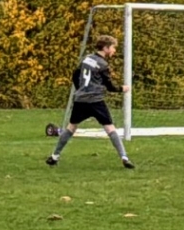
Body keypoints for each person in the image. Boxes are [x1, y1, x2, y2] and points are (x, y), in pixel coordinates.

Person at [47, 36, 134, 168]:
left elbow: (75, 75)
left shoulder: (86, 59)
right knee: (110, 128)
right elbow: (110, 87)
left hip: (81, 100)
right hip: (96, 101)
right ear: (105, 48)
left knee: (71, 128)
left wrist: (81, 89)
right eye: (113, 47)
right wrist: (123, 89)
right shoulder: (103, 65)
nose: (114, 50)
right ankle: (124, 157)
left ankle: (54, 156)